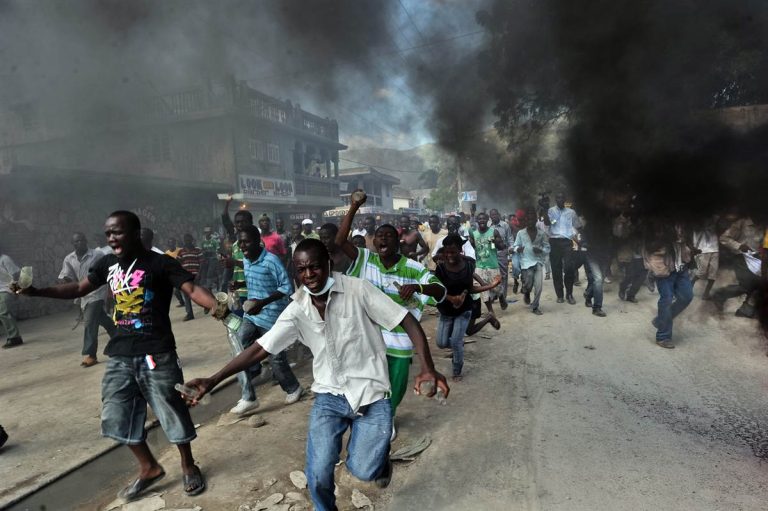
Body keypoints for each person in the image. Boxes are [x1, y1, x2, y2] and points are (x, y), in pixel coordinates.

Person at [182, 238, 449, 511]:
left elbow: (406, 319)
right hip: (329, 397)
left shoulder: (358, 290)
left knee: (364, 470)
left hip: (372, 393)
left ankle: (379, 462)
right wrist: (213, 379)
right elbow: (260, 349)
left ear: (328, 265)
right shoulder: (298, 308)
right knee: (318, 474)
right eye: (301, 269)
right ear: (296, 271)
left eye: (315, 267)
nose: (309, 275)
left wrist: (427, 367)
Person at [14, 210, 219, 500]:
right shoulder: (107, 264)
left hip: (156, 353)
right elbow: (77, 288)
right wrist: (36, 291)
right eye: (108, 233)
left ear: (135, 233)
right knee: (115, 413)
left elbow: (192, 288)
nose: (112, 238)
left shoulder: (160, 263)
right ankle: (148, 467)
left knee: (171, 409)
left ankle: (188, 465)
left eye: (118, 232)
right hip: (120, 354)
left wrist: (218, 308)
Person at [337, 193, 446, 438]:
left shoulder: (413, 268)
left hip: (400, 341)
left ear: (398, 242)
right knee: (367, 381)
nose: (382, 239)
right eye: (379, 236)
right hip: (368, 337)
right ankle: (367, 416)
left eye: (388, 236)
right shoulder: (366, 259)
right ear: (374, 242)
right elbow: (340, 240)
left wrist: (417, 288)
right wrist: (354, 206)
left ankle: (389, 416)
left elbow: (439, 290)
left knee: (393, 387)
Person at [228, 225, 303, 415]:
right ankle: (248, 397)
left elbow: (286, 287)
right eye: (240, 242)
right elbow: (255, 279)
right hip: (251, 314)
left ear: (258, 242)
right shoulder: (246, 260)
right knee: (239, 346)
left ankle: (293, 388)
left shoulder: (271, 261)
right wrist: (239, 284)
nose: (242, 246)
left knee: (276, 358)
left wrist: (263, 302)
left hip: (272, 316)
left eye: (246, 242)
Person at [434, 234, 501, 380]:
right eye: (447, 252)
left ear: (460, 250)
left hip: (464, 309)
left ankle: (457, 370)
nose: (450, 255)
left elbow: (470, 288)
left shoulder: (469, 265)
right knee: (442, 343)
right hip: (446, 310)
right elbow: (437, 291)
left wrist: (490, 286)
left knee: (457, 341)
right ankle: (460, 347)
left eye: (453, 252)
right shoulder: (440, 268)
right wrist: (452, 298)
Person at [59, 232, 116, 366]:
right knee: (103, 319)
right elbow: (66, 275)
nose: (79, 243)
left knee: (89, 321)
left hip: (98, 292)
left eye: (81, 240)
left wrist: (111, 293)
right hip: (83, 294)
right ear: (72, 244)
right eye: (76, 241)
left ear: (86, 241)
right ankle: (121, 337)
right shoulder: (69, 259)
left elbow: (110, 273)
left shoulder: (97, 255)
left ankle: (91, 355)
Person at [643, 221, 693, 349]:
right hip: (665, 269)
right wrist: (657, 269)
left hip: (681, 268)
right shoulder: (658, 223)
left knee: (686, 297)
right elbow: (650, 248)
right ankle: (663, 336)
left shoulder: (684, 222)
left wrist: (689, 249)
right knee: (667, 299)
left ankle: (660, 320)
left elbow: (684, 243)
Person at [513, 208, 550, 315]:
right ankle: (526, 292)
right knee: (528, 284)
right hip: (525, 263)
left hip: (538, 262)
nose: (530, 221)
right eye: (528, 219)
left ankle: (535, 306)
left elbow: (548, 248)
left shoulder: (541, 234)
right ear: (525, 220)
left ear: (535, 220)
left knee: (539, 286)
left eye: (532, 219)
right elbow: (515, 246)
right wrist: (517, 249)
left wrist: (541, 250)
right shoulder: (521, 233)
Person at [544, 192, 580, 303]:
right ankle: (560, 295)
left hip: (566, 242)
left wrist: (578, 240)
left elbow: (577, 226)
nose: (560, 199)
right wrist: (545, 209)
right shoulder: (550, 211)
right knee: (556, 269)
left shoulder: (571, 212)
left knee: (569, 267)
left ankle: (569, 294)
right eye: (558, 197)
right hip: (554, 242)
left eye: (562, 197)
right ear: (555, 199)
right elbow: (547, 223)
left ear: (565, 199)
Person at [469, 212, 507, 316]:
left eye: (484, 219)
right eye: (480, 219)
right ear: (477, 221)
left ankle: (501, 296)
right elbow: (471, 248)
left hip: (493, 265)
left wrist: (494, 242)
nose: (482, 221)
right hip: (479, 266)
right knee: (483, 289)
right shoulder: (474, 233)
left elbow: (502, 247)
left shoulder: (493, 232)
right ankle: (490, 310)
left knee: (497, 287)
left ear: (487, 220)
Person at [222, 199, 253, 314]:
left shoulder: (256, 243)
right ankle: (220, 308)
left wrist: (234, 262)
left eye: (242, 222)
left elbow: (255, 267)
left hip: (253, 292)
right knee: (237, 325)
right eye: (237, 222)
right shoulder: (235, 244)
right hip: (239, 292)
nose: (240, 225)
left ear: (250, 222)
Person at [489, 208, 513, 308]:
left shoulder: (505, 225)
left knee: (503, 275)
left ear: (499, 215)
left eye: (495, 214)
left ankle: (503, 296)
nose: (494, 216)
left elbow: (510, 239)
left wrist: (511, 250)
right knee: (492, 274)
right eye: (492, 215)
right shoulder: (488, 226)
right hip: (492, 253)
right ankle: (494, 294)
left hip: (502, 253)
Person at [0, 247, 23, 348]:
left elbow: (15, 275)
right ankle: (12, 336)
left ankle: (14, 337)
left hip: (6, 290)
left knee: (4, 313)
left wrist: (17, 291)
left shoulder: (5, 259)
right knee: (3, 314)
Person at [178, 234, 203, 321]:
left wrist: (199, 274)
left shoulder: (198, 250)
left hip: (195, 275)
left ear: (192, 240)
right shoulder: (181, 252)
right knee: (186, 295)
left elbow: (202, 263)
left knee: (198, 293)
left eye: (189, 240)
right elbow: (178, 263)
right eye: (186, 240)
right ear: (184, 241)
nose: (187, 242)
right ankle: (189, 314)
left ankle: (206, 305)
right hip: (185, 276)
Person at [200, 226, 221, 292]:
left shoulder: (214, 241)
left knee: (210, 273)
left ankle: (209, 287)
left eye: (208, 232)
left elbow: (218, 250)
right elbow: (202, 251)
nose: (207, 233)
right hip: (206, 259)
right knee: (204, 272)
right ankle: (208, 285)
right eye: (206, 232)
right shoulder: (203, 242)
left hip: (213, 259)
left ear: (210, 232)